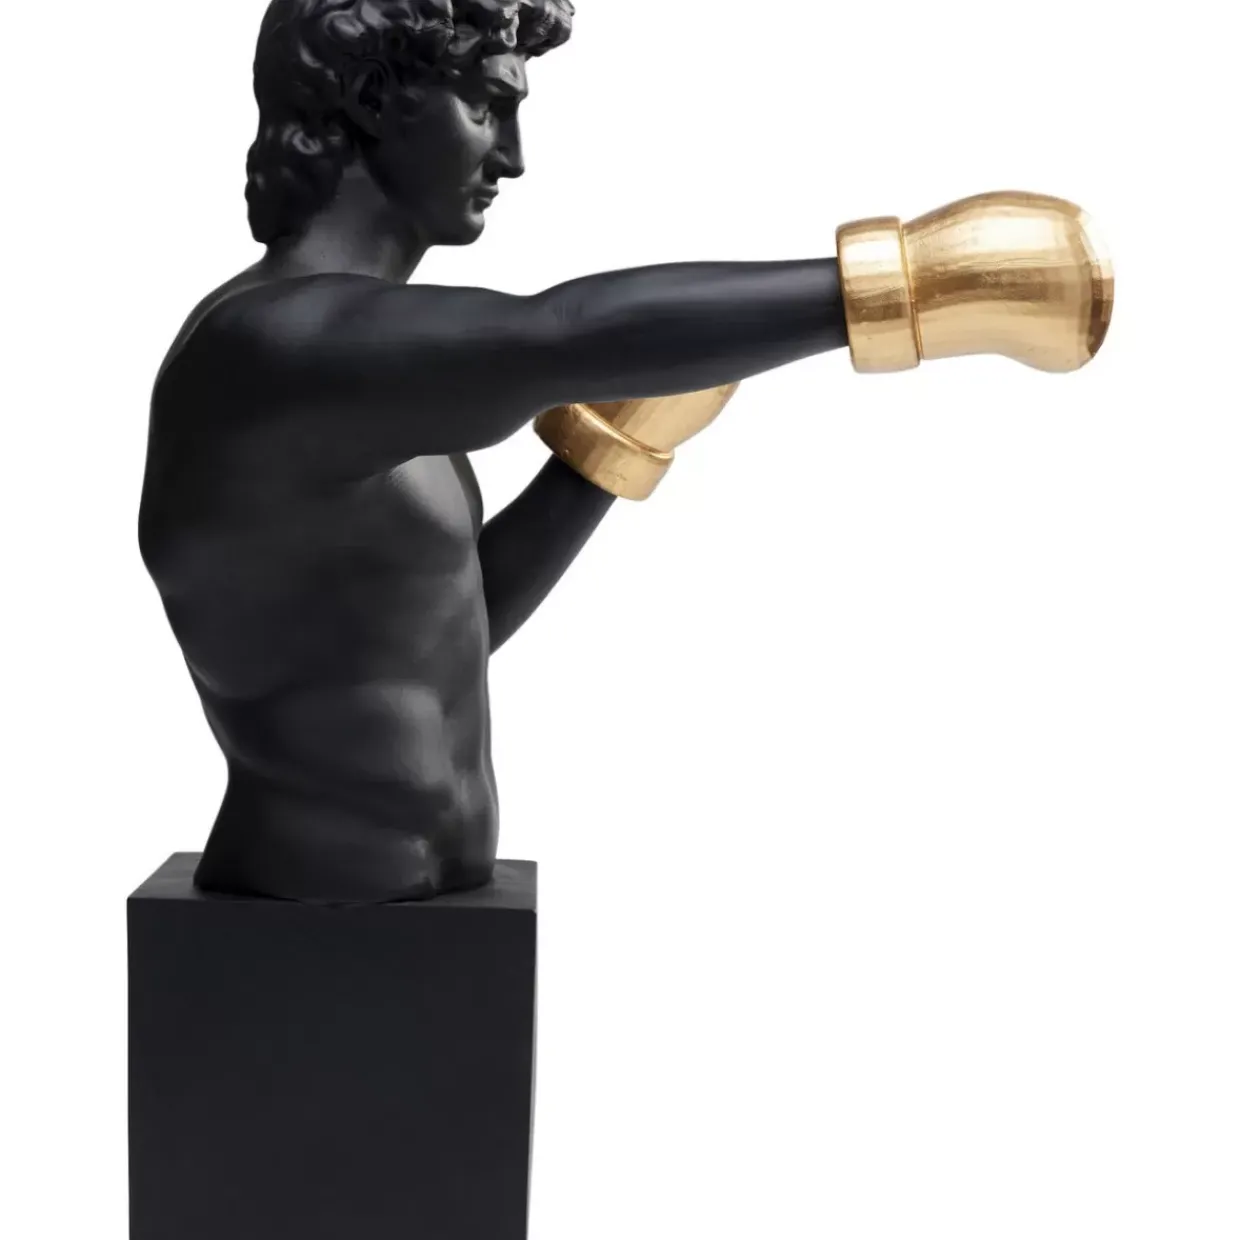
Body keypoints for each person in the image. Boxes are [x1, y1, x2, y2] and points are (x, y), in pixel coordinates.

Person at [139, 0, 850, 904]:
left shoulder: (355, 373)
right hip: (310, 885)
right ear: (373, 98)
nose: (511, 158)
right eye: (485, 106)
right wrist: (916, 281)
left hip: (422, 891)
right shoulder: (273, 347)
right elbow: (554, 332)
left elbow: (436, 623)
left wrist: (607, 456)